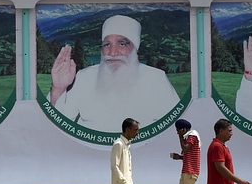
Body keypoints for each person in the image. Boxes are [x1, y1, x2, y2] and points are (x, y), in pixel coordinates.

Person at [49, 15, 180, 132]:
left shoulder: (156, 78)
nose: (112, 52)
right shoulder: (84, 77)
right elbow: (57, 126)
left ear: (135, 48)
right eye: (107, 45)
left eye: (122, 44)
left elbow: (175, 127)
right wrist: (58, 89)